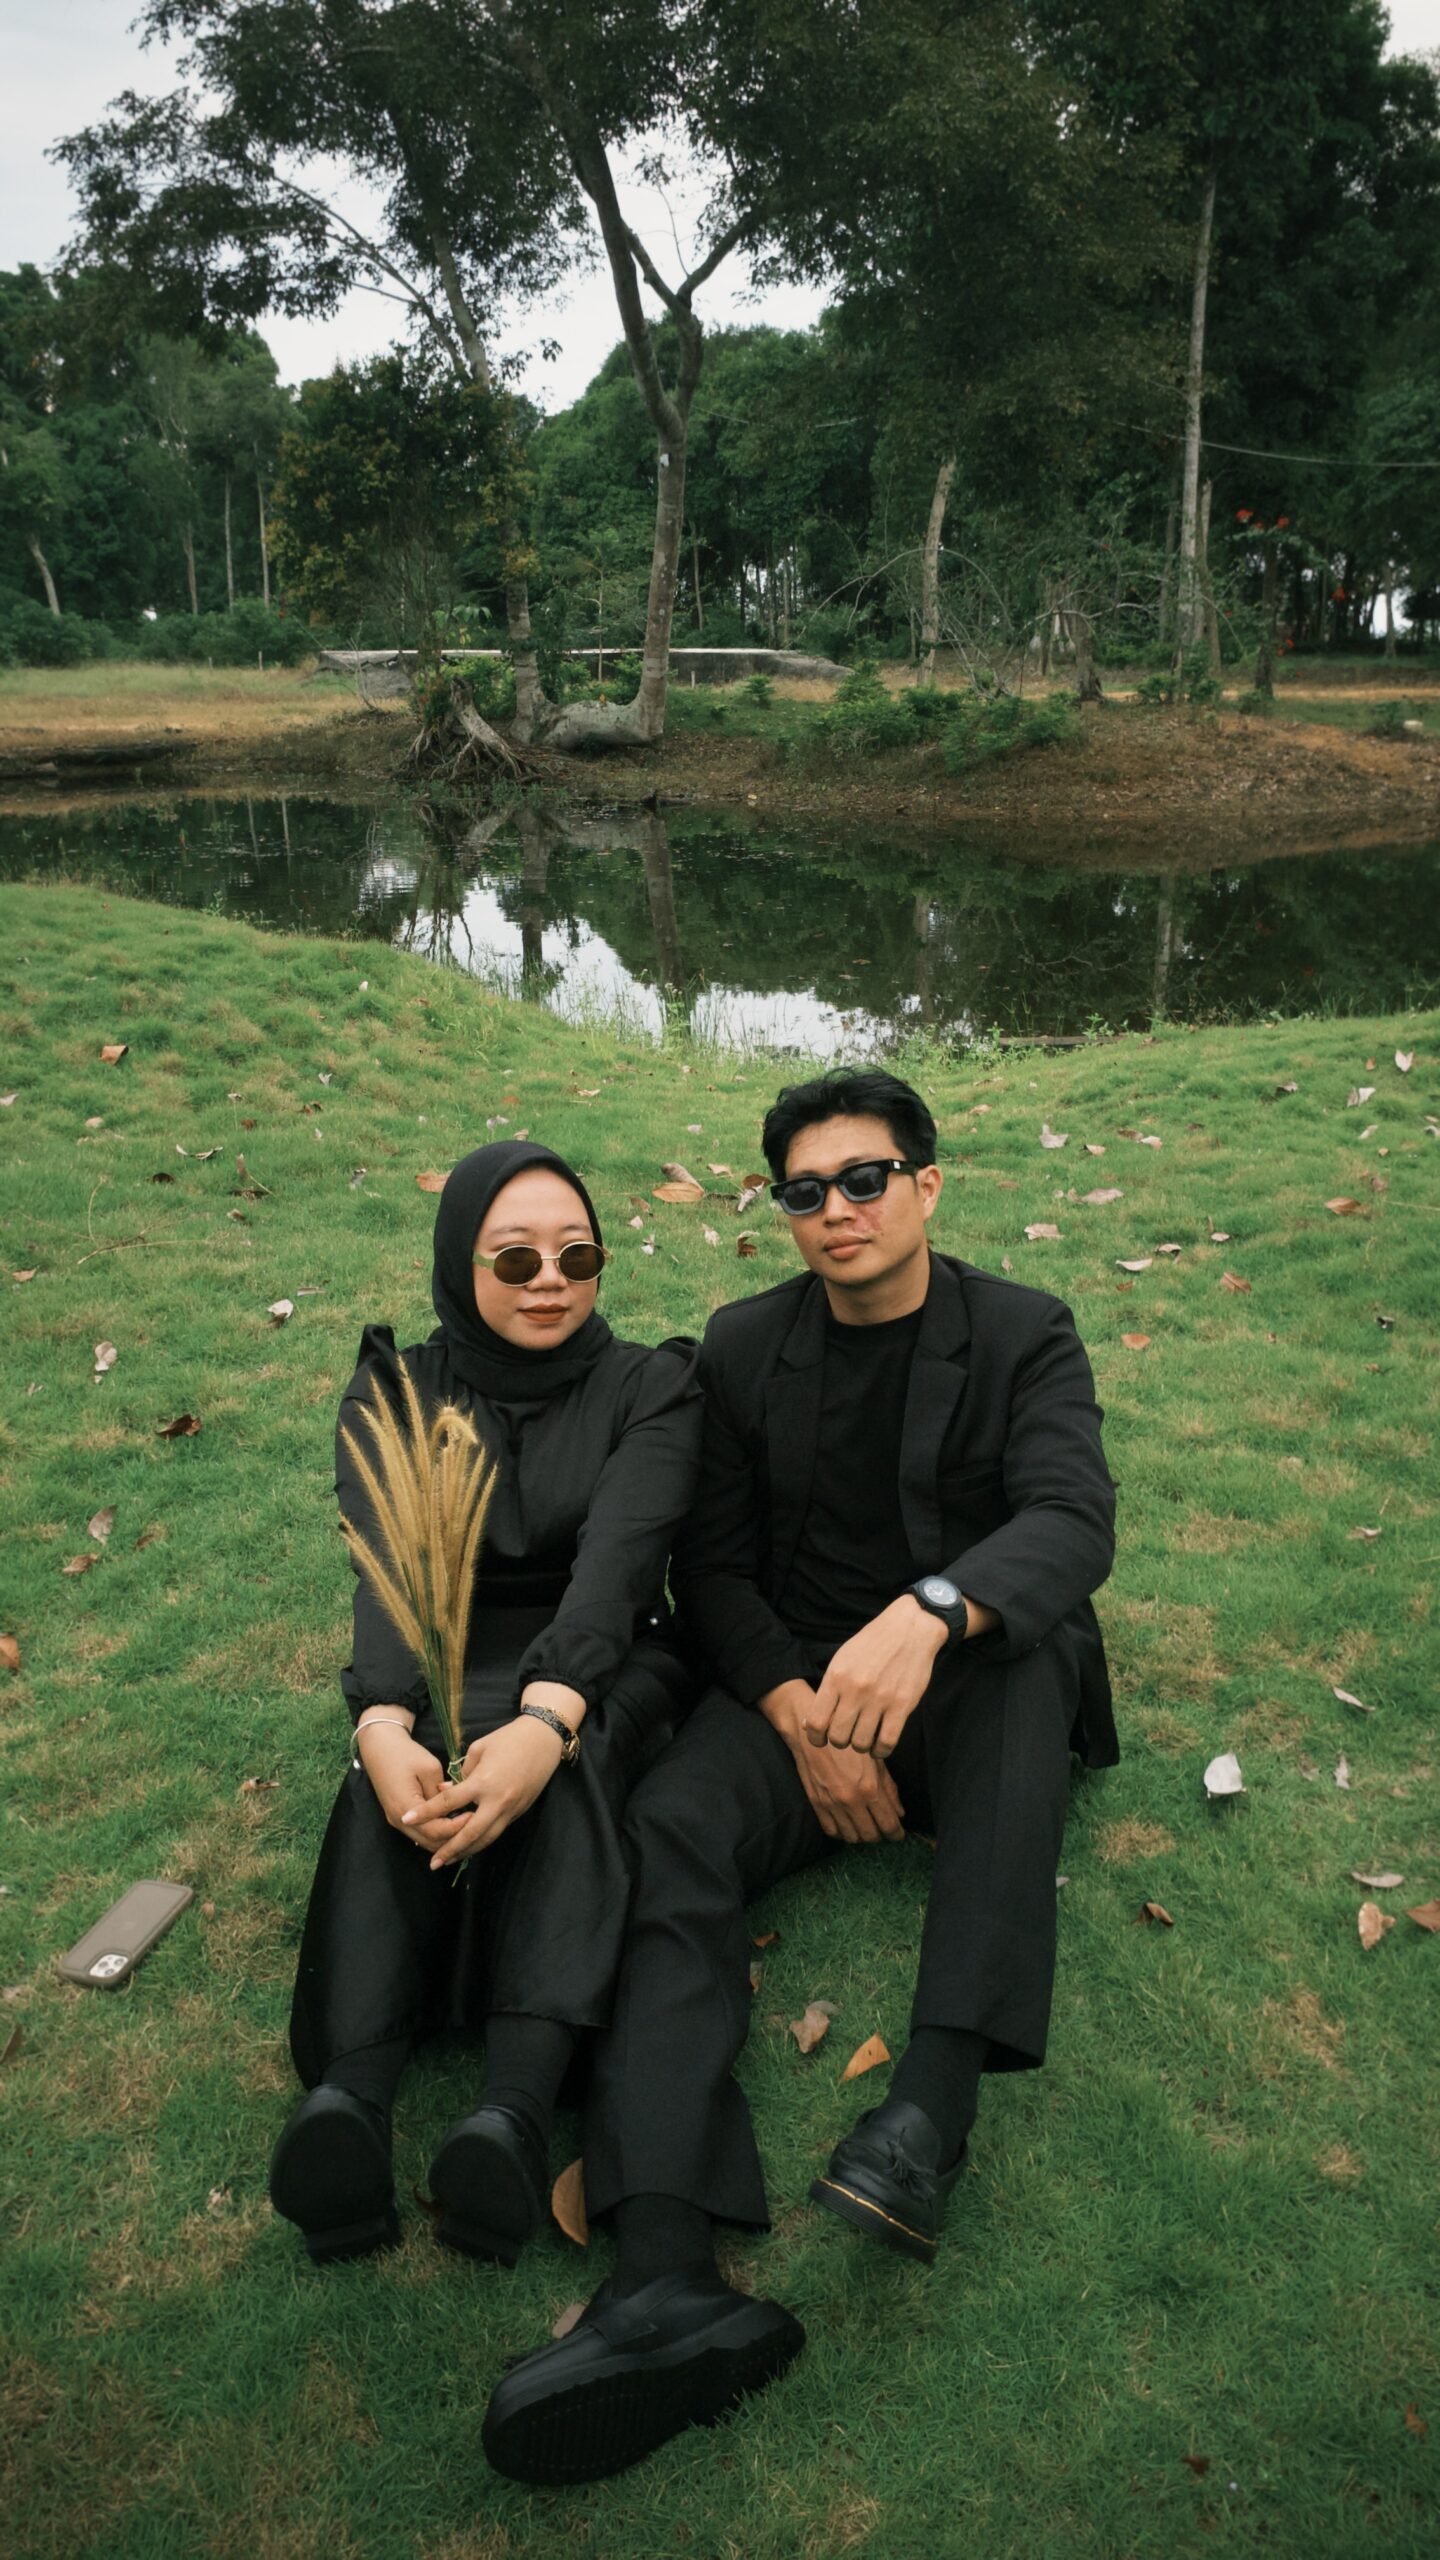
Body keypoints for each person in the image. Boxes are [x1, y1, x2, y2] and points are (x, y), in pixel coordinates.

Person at [482, 1069, 1117, 2483]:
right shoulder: (743, 1344)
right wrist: (795, 1712)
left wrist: (932, 1612)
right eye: (806, 1190)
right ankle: (663, 2267)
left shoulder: (1023, 1332)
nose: (838, 1209)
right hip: (794, 1689)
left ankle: (928, 2115)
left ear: (926, 1184)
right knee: (666, 1824)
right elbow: (708, 1567)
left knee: (1035, 1662)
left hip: (963, 1682)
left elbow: (1074, 1518)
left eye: (866, 1178)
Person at [269, 1140, 702, 2267]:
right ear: (460, 1263)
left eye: (577, 1255)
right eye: (514, 1259)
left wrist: (548, 1721)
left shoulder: (652, 1388)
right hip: (448, 1644)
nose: (550, 1280)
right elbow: (392, 1573)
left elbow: (618, 1569)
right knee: (403, 1761)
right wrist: (380, 1719)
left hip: (609, 1654)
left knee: (574, 1765)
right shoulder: (398, 1387)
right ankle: (350, 2102)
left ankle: (512, 2112)